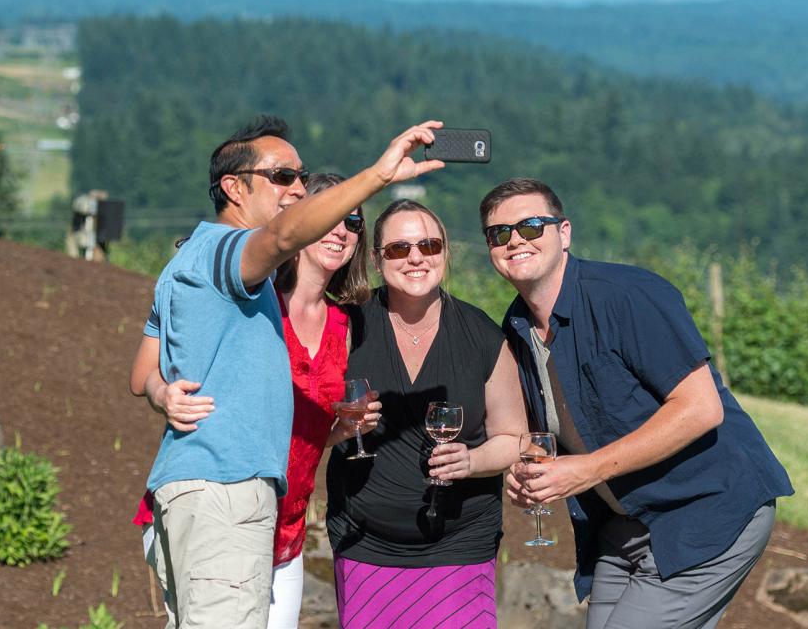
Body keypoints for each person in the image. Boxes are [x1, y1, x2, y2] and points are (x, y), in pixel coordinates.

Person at [132, 114, 444, 628]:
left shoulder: (197, 266)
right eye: (282, 177)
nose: (297, 189)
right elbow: (279, 240)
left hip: (225, 494)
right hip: (225, 489)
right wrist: (378, 176)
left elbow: (142, 370)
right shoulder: (227, 252)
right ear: (233, 187)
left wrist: (160, 389)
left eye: (300, 177)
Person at [482, 177, 793, 629]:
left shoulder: (627, 295)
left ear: (563, 233)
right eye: (499, 233)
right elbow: (553, 425)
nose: (515, 241)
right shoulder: (516, 328)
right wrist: (526, 470)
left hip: (705, 512)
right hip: (624, 525)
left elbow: (702, 408)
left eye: (531, 226)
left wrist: (586, 470)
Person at [130, 173, 377, 629]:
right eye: (329, 217)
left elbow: (281, 423)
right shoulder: (248, 298)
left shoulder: (347, 325)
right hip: (222, 501)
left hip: (287, 525)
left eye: (353, 222)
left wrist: (334, 431)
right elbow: (146, 370)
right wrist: (162, 392)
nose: (340, 230)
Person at [325, 199, 526, 629]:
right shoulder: (344, 327)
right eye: (399, 249)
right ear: (378, 260)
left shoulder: (482, 335)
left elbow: (514, 438)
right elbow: (305, 427)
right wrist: (339, 429)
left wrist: (471, 461)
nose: (416, 257)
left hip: (460, 543)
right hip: (365, 544)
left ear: (445, 253)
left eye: (429, 245)